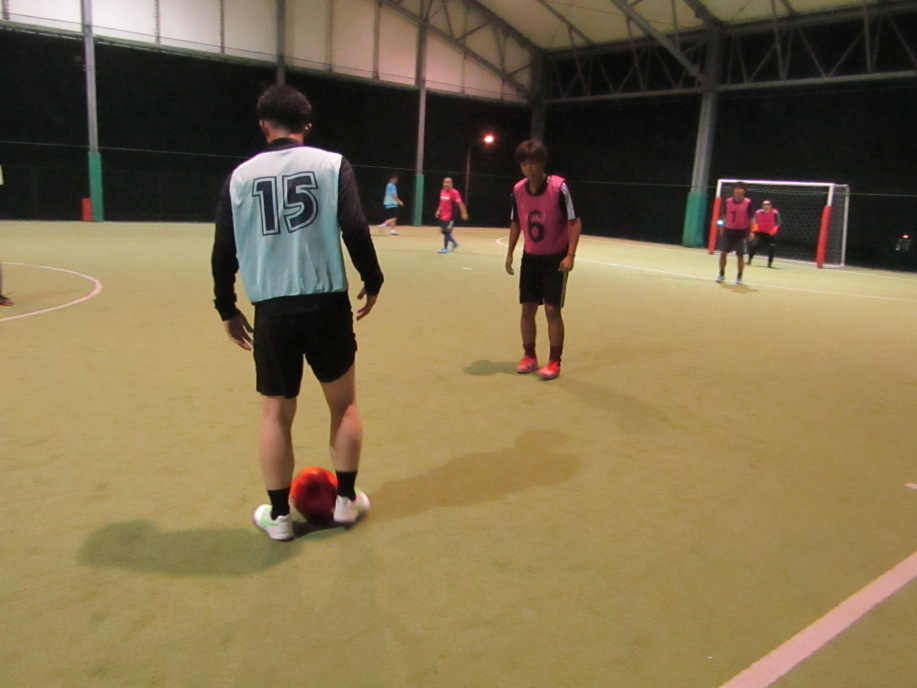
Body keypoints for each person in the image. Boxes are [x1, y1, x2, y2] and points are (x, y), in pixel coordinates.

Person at [211, 84, 384, 542]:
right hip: (326, 303)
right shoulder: (332, 164)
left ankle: (279, 517)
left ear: (263, 125)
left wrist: (226, 306)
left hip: (272, 309)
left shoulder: (240, 177)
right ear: (307, 125)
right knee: (343, 404)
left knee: (275, 416)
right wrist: (373, 278)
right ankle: (345, 502)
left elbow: (224, 248)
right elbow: (354, 226)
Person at [504, 140, 580, 381]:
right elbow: (516, 222)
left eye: (533, 163)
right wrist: (510, 253)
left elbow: (574, 221)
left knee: (551, 310)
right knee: (527, 309)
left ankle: (554, 361)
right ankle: (529, 356)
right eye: (524, 164)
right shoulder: (518, 190)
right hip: (531, 258)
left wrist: (570, 255)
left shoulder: (559, 187)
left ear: (542, 163)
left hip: (556, 258)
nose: (529, 169)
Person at [717, 181, 754, 285]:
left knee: (740, 255)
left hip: (741, 232)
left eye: (740, 188)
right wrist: (720, 226)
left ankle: (739, 276)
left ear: (744, 191)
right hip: (728, 231)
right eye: (736, 188)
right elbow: (722, 216)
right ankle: (721, 274)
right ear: (733, 190)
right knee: (723, 253)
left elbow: (751, 218)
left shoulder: (748, 202)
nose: (738, 190)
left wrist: (752, 231)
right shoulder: (727, 202)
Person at [434, 177, 468, 253]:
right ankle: (455, 243)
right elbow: (441, 203)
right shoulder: (442, 191)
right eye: (445, 182)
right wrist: (438, 210)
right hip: (443, 216)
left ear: (451, 184)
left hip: (450, 216)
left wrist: (464, 213)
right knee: (443, 232)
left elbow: (460, 203)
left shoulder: (454, 193)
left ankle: (445, 248)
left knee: (447, 232)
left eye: (448, 182)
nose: (446, 184)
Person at [748, 199, 780, 267]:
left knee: (771, 247)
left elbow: (778, 222)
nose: (766, 206)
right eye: (764, 204)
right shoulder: (758, 212)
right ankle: (749, 260)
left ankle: (769, 263)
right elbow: (754, 220)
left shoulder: (775, 213)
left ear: (771, 206)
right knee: (754, 246)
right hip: (761, 233)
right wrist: (755, 228)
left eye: (767, 204)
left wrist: (775, 229)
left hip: (770, 234)